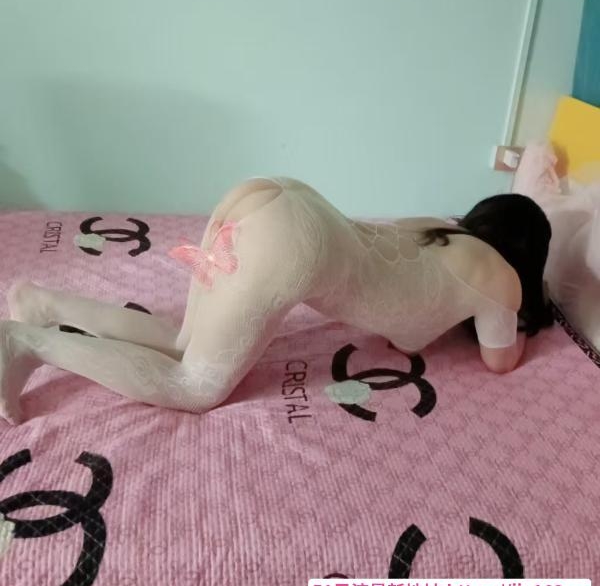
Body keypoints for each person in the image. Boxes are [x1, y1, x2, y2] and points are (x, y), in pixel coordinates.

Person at [0, 177, 552, 424]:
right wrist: (527, 310)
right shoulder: (503, 278)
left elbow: (404, 314)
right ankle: (27, 343)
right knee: (194, 388)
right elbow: (500, 361)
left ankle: (43, 305)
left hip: (278, 197)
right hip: (294, 243)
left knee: (181, 342)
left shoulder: (439, 227)